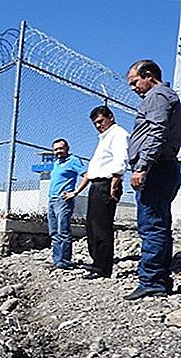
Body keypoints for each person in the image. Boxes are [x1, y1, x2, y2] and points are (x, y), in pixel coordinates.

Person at [124, 60, 181, 301]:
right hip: (163, 167)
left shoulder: (157, 96)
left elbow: (157, 130)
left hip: (156, 168)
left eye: (135, 82)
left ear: (148, 75)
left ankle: (151, 281)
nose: (134, 88)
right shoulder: (166, 96)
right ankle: (159, 278)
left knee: (151, 227)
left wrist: (143, 166)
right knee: (159, 225)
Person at [66, 106, 129, 279]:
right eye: (95, 123)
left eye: (101, 121)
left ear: (111, 117)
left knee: (102, 227)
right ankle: (97, 262)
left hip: (107, 184)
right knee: (92, 227)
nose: (98, 125)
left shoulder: (118, 134)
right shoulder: (104, 137)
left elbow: (120, 158)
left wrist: (115, 183)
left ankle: (103, 268)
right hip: (97, 184)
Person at [47, 139, 87, 269]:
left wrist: (74, 192)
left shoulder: (74, 161)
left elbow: (87, 175)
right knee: (54, 232)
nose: (58, 151)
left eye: (61, 148)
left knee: (63, 231)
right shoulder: (57, 163)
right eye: (56, 149)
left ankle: (64, 261)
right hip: (52, 200)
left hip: (63, 201)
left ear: (67, 148)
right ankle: (57, 260)